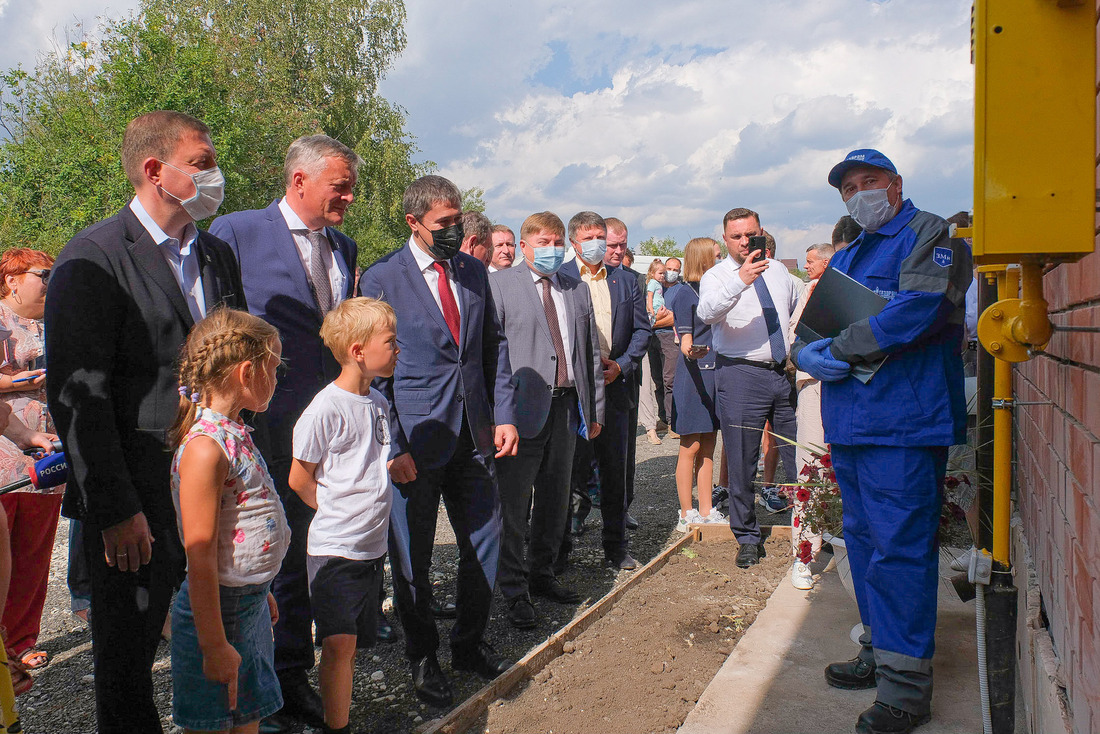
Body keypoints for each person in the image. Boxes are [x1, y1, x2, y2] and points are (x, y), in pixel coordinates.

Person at [46, 110, 248, 733]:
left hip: (212, 482)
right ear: (155, 170)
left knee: (215, 628)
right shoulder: (94, 257)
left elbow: (231, 363)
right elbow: (79, 395)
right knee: (129, 654)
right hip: (137, 497)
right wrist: (113, 508)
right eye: (203, 162)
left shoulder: (214, 255)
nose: (216, 175)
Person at [792, 149, 972, 734]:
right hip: (854, 423)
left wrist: (838, 349)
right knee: (865, 542)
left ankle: (906, 688)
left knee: (899, 550)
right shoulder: (854, 251)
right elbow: (813, 327)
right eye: (848, 188)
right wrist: (805, 350)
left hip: (903, 422)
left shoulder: (930, 234)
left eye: (868, 182)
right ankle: (880, 648)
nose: (858, 194)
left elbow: (916, 310)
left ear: (895, 184)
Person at [210, 134, 361, 732]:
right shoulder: (238, 233)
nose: (348, 197)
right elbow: (217, 329)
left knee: (304, 552)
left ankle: (291, 675)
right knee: (260, 557)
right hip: (264, 427)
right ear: (299, 180)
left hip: (326, 432)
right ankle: (252, 684)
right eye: (339, 185)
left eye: (351, 187)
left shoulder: (343, 245)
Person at [358, 174, 518, 707]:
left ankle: (468, 643)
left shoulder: (473, 271)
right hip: (416, 443)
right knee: (412, 558)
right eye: (442, 225)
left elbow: (491, 345)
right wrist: (393, 446)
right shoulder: (382, 278)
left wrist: (504, 414)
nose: (453, 232)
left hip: (475, 436)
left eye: (456, 221)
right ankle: (423, 656)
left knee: (485, 542)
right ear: (414, 223)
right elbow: (375, 377)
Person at [169, 308, 290, 734]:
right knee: (218, 723)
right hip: (217, 616)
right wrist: (214, 644)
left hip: (246, 604)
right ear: (246, 373)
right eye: (272, 369)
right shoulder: (206, 449)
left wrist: (259, 586)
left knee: (247, 719)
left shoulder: (234, 432)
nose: (276, 381)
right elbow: (200, 557)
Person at [489, 212, 604, 629]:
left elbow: (589, 354)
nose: (552, 249)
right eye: (543, 242)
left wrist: (594, 410)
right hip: (519, 414)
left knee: (556, 500)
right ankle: (514, 590)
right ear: (524, 246)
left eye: (557, 242)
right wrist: (499, 415)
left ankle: (543, 574)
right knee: (515, 506)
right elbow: (494, 357)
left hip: (567, 408)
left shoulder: (575, 288)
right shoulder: (499, 286)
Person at [288, 298, 398, 734]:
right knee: (337, 644)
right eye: (389, 341)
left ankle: (341, 715)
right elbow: (300, 478)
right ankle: (337, 726)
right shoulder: (324, 408)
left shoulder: (377, 404)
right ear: (357, 350)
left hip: (371, 548)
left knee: (351, 646)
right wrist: (337, 511)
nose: (397, 349)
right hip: (336, 549)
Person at [697, 207, 799, 569]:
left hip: (781, 372)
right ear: (725, 239)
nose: (744, 242)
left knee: (798, 455)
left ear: (760, 233)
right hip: (740, 374)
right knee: (742, 459)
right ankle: (747, 536)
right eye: (737, 236)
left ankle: (811, 529)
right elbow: (707, 313)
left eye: (750, 234)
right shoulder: (717, 275)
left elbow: (795, 309)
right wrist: (741, 279)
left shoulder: (780, 271)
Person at [560, 212, 649, 570]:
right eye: (590, 237)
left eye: (602, 236)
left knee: (615, 471)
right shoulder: (560, 278)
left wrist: (622, 364)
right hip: (573, 392)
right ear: (574, 242)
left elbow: (642, 331)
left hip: (616, 386)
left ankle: (616, 547)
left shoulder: (626, 281)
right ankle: (560, 550)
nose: (597, 244)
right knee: (567, 472)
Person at [0, 248, 63, 672]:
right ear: (12, 280)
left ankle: (20, 641)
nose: (50, 282)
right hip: (4, 453)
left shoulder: (58, 319)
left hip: (46, 450)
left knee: (34, 554)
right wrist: (15, 381)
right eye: (44, 274)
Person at [667, 238, 726, 531]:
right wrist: (694, 350)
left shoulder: (714, 289)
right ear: (703, 258)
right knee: (689, 447)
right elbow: (685, 341)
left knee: (708, 447)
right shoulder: (684, 294)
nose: (721, 260)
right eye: (716, 256)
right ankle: (686, 511)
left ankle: (706, 509)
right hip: (694, 378)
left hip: (715, 375)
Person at [787, 242, 835, 590]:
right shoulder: (811, 290)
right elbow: (795, 338)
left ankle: (842, 536)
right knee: (811, 468)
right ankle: (804, 555)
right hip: (817, 385)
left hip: (862, 387)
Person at [655, 257, 681, 433]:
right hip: (654, 339)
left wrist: (654, 322)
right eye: (668, 268)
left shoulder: (681, 290)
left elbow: (676, 317)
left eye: (675, 269)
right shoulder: (657, 288)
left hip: (671, 339)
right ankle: (662, 418)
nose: (670, 272)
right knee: (657, 381)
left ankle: (673, 422)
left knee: (670, 380)